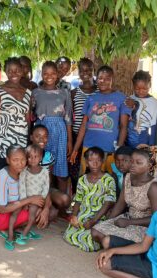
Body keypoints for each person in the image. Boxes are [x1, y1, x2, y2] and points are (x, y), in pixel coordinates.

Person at [91, 149, 157, 245]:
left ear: (149, 166)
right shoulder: (128, 177)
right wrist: (109, 221)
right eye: (131, 161)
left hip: (145, 226)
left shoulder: (154, 187)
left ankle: (126, 252)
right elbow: (121, 203)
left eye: (138, 163)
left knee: (108, 240)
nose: (133, 165)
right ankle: (119, 250)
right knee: (96, 232)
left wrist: (130, 222)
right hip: (128, 219)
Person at [70, 65, 131, 175]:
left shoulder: (121, 98)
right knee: (88, 182)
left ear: (113, 79)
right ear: (96, 79)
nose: (103, 81)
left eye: (107, 78)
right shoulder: (91, 98)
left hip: (111, 150)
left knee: (111, 183)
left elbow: (123, 126)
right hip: (89, 149)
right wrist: (75, 149)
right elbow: (84, 125)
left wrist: (119, 149)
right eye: (100, 78)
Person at [0, 145, 45, 251]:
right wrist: (30, 200)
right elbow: (2, 209)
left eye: (23, 159)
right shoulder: (2, 177)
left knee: (40, 210)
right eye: (15, 160)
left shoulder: (24, 172)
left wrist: (36, 203)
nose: (20, 163)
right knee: (35, 212)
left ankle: (15, 229)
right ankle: (10, 233)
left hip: (13, 208)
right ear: (8, 160)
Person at [63, 147, 116, 252]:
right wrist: (73, 216)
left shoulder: (108, 179)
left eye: (98, 160)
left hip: (99, 216)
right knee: (68, 234)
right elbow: (78, 199)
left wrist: (93, 220)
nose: (95, 164)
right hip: (83, 214)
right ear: (86, 163)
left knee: (90, 239)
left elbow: (108, 202)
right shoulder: (82, 179)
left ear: (102, 161)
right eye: (91, 161)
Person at [0, 57, 32, 175]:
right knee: (1, 173)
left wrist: (28, 142)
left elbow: (28, 120)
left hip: (21, 140)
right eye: (10, 71)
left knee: (19, 173)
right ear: (5, 72)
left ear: (22, 71)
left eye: (17, 70)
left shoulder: (28, 93)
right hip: (2, 140)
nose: (14, 73)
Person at [33, 61, 73, 194]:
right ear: (42, 74)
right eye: (45, 73)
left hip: (60, 132)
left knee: (60, 171)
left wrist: (69, 141)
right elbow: (31, 116)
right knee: (43, 168)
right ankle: (45, 202)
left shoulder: (64, 93)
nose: (49, 76)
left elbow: (68, 118)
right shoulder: (35, 92)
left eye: (52, 73)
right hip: (41, 133)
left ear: (57, 75)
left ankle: (61, 205)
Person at [29, 124, 70, 227]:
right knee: (37, 213)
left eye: (45, 136)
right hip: (29, 191)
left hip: (46, 190)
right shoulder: (26, 155)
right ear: (31, 137)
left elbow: (49, 180)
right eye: (38, 136)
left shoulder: (49, 156)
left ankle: (52, 210)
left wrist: (46, 206)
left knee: (64, 199)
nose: (42, 139)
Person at [70, 57, 96, 192]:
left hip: (94, 136)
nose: (85, 72)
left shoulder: (100, 91)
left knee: (93, 167)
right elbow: (70, 117)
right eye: (82, 70)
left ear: (93, 70)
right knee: (76, 169)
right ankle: (77, 196)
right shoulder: (74, 93)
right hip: (77, 136)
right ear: (78, 72)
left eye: (89, 69)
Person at [17, 144, 49, 242]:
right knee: (17, 214)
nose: (33, 159)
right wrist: (25, 201)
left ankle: (24, 234)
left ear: (41, 157)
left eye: (36, 157)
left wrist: (41, 201)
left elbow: (46, 187)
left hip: (38, 200)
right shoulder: (24, 172)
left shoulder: (45, 172)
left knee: (31, 216)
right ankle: (16, 230)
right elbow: (21, 186)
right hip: (26, 199)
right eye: (29, 157)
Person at [125, 70, 157, 148]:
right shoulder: (129, 98)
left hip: (143, 137)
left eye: (144, 89)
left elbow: (153, 126)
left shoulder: (154, 102)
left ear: (149, 85)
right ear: (133, 86)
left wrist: (151, 145)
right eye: (137, 89)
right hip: (128, 137)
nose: (141, 91)